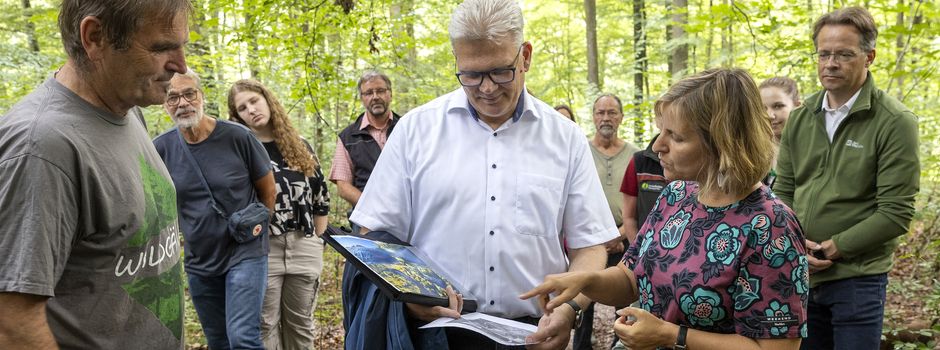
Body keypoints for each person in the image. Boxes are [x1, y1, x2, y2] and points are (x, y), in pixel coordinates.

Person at [345, 0, 619, 349]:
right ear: (456, 60)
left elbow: (590, 247)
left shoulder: (565, 138)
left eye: (501, 72)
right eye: (471, 75)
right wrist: (410, 296)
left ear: (525, 57)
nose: (487, 88)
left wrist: (569, 308)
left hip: (532, 334)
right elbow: (375, 236)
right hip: (435, 334)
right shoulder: (416, 130)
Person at [522, 68, 808, 350]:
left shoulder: (771, 225)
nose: (658, 145)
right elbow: (630, 278)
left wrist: (672, 336)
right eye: (661, 131)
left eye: (677, 137)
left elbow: (775, 348)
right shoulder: (676, 196)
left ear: (723, 143)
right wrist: (587, 280)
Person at [0, 1, 190, 349]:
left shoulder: (125, 108)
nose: (181, 65)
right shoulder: (42, 148)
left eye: (182, 46)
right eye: (161, 47)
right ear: (95, 37)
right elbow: (12, 325)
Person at [774, 7, 919, 350]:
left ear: (869, 57)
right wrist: (796, 245)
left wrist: (832, 248)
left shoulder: (895, 121)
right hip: (800, 273)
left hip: (858, 279)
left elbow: (896, 212)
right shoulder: (801, 117)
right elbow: (784, 191)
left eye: (844, 54)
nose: (831, 64)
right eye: (823, 54)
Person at [153, 71, 276, 350]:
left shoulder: (237, 136)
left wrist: (257, 229)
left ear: (202, 96)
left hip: (244, 251)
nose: (183, 103)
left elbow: (268, 190)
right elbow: (156, 204)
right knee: (218, 341)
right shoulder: (160, 148)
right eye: (173, 97)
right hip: (199, 259)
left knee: (242, 337)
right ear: (164, 104)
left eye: (189, 94)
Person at [228, 79, 331, 350]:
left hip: (304, 246)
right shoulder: (240, 152)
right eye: (242, 108)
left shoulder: (300, 145)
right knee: (265, 325)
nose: (251, 110)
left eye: (254, 101)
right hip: (263, 249)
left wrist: (317, 242)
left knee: (301, 324)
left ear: (267, 100)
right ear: (237, 116)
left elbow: (321, 199)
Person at [572, 94, 640, 350]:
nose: (606, 118)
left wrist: (619, 234)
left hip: (622, 241)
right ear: (593, 117)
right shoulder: (581, 151)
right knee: (582, 299)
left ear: (621, 117)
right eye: (600, 112)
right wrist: (598, 238)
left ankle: (619, 344)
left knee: (623, 302)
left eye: (612, 112)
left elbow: (637, 204)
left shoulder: (635, 155)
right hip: (587, 242)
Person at [330, 70, 403, 234]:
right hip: (366, 220)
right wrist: (372, 208)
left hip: (406, 217)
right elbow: (343, 186)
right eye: (369, 93)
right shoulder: (348, 137)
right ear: (362, 98)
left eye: (380, 91)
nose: (375, 97)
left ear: (390, 94)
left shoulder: (406, 128)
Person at [758, 77, 801, 187]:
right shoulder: (752, 153)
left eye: (778, 106)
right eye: (763, 108)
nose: (769, 115)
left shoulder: (812, 149)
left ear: (797, 106)